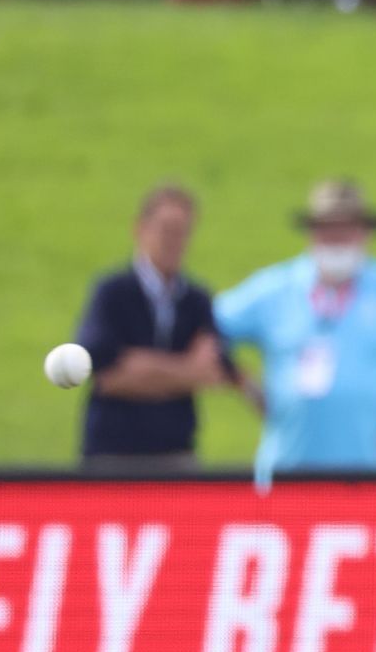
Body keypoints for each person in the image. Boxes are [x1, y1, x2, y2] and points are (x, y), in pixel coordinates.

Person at [215, 180, 376, 479]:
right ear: (312, 232)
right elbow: (209, 329)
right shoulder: (275, 290)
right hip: (286, 470)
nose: (337, 239)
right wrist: (245, 383)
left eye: (346, 230)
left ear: (364, 233)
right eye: (328, 230)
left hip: (370, 472)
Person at [74, 185, 252, 472]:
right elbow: (107, 373)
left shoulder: (196, 300)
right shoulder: (112, 292)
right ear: (141, 229)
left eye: (183, 232)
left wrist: (144, 370)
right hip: (112, 454)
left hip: (175, 454)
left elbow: (214, 370)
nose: (174, 241)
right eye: (166, 229)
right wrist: (185, 372)